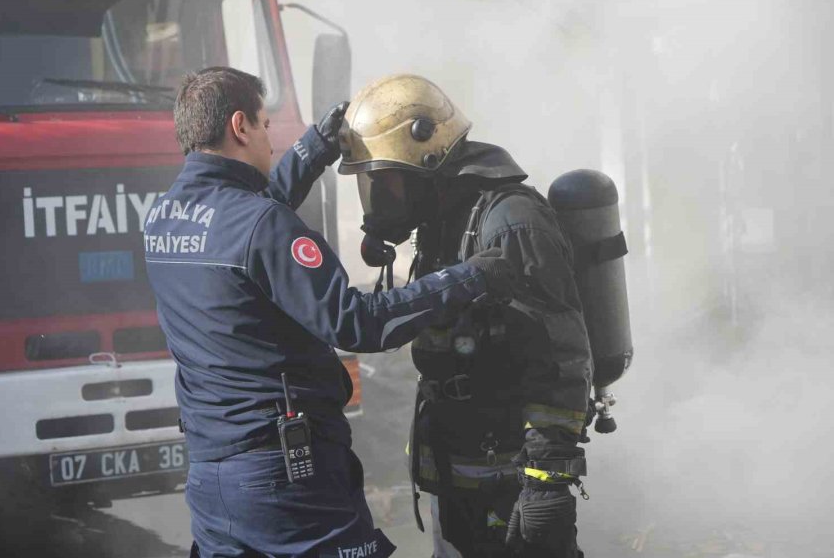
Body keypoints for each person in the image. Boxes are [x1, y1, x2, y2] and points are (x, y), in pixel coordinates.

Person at [143, 66, 519, 558]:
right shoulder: (262, 226)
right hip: (286, 483)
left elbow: (246, 230)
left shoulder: (163, 219)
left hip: (212, 482)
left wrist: (316, 146)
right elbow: (357, 321)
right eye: (262, 124)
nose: (269, 139)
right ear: (239, 127)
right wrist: (471, 276)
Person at [338, 74, 593, 558]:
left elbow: (560, 355)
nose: (376, 198)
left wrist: (548, 479)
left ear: (426, 159)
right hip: (460, 468)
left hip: (509, 478)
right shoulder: (443, 218)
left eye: (383, 180)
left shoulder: (510, 221)